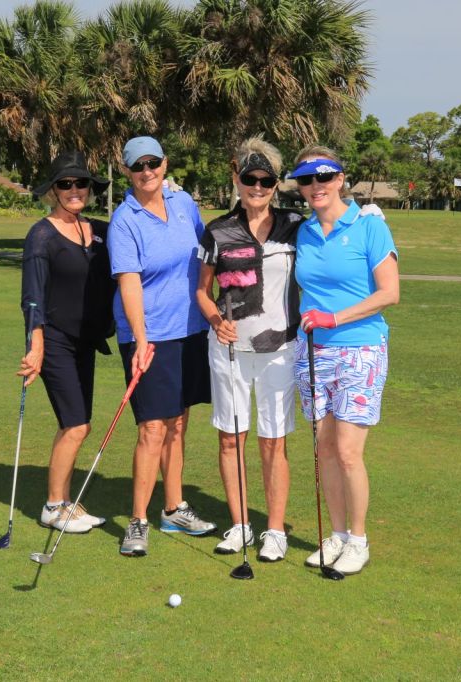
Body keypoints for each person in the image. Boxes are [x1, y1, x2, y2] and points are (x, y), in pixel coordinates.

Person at [290, 145, 400, 576]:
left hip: (361, 348)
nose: (315, 186)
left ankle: (358, 539)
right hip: (313, 351)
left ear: (339, 178)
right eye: (305, 179)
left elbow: (389, 293)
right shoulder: (303, 232)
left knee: (349, 452)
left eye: (324, 176)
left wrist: (333, 317)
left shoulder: (370, 226)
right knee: (325, 449)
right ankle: (335, 535)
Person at [108, 136, 217, 557]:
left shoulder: (184, 203)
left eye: (153, 163)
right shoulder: (125, 220)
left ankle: (174, 508)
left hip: (190, 330)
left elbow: (205, 254)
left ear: (165, 164)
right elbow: (129, 281)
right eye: (138, 166)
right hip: (149, 336)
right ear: (127, 171)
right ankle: (138, 520)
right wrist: (139, 337)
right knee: (152, 427)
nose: (147, 171)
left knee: (178, 424)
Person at [195, 138, 300, 562]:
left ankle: (275, 530)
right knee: (230, 438)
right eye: (249, 179)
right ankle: (240, 525)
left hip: (280, 349)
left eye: (266, 181)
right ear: (237, 179)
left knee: (273, 440)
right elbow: (202, 291)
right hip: (229, 348)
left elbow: (333, 225)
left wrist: (365, 215)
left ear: (276, 184)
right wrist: (216, 321)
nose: (257, 187)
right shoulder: (218, 229)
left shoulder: (295, 225)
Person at [18, 150, 114, 535]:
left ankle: (66, 503)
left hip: (85, 343)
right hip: (55, 341)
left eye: (80, 183)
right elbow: (32, 296)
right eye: (65, 184)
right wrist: (35, 346)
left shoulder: (100, 230)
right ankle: (53, 507)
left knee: (77, 423)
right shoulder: (41, 235)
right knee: (76, 425)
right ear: (53, 191)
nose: (74, 190)